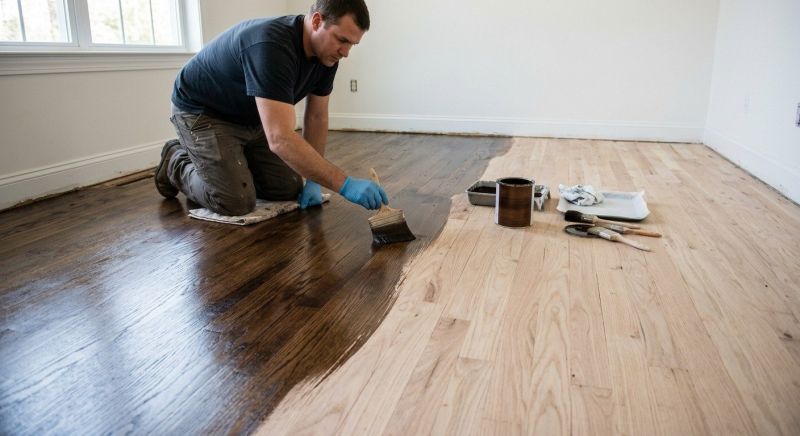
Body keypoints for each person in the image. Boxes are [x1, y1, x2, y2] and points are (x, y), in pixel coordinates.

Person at [155, 0, 388, 216]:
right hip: (203, 112)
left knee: (287, 188)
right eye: (342, 40)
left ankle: (232, 159)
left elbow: (317, 117)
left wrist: (314, 181)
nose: (346, 52)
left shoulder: (327, 57)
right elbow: (279, 139)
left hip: (251, 117)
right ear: (317, 21)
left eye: (352, 44)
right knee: (236, 201)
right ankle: (175, 161)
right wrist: (344, 184)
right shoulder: (272, 45)